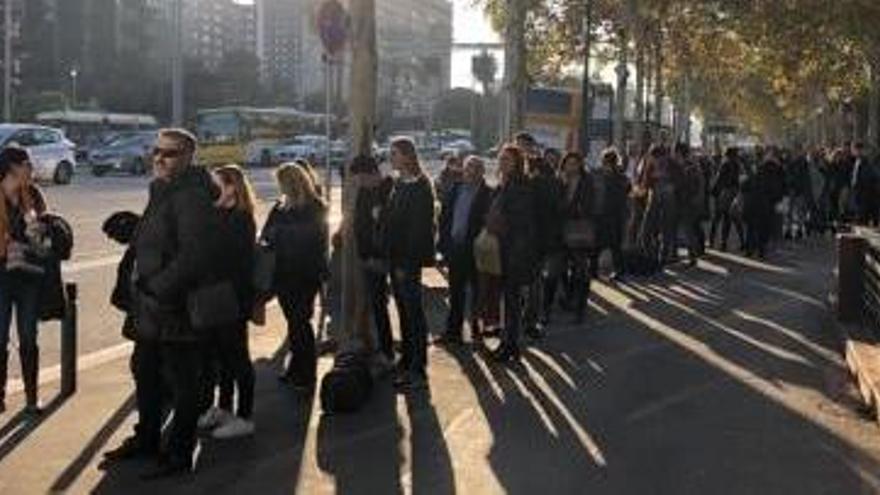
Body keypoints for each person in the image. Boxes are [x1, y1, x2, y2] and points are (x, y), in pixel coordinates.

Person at [131, 128, 224, 478]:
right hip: (153, 305)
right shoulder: (163, 190)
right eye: (156, 151)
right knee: (144, 369)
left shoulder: (191, 195)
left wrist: (160, 287)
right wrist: (133, 231)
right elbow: (160, 239)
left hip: (177, 306)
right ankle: (147, 438)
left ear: (187, 157)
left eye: (168, 153)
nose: (158, 158)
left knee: (183, 382)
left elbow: (194, 255)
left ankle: (180, 451)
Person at [197, 165, 257, 439]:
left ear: (233, 187)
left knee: (237, 357)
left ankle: (244, 416)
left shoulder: (241, 218)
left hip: (232, 297)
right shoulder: (218, 214)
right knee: (220, 358)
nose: (213, 190)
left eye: (218, 184)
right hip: (214, 296)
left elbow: (225, 257)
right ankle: (223, 407)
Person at [261, 163, 329, 393]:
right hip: (284, 274)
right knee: (294, 324)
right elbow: (266, 234)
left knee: (301, 323)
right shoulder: (281, 207)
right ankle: (296, 369)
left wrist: (279, 235)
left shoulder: (313, 207)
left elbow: (313, 242)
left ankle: (306, 374)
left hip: (303, 275)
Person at [385, 138, 436, 390]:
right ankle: (407, 358)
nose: (390, 157)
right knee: (404, 311)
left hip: (408, 260)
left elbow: (417, 231)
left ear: (407, 156)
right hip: (396, 258)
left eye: (393, 153)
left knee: (414, 312)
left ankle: (418, 367)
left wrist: (407, 262)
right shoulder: (399, 183)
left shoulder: (419, 186)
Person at [0, 147, 47, 415]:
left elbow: (44, 240)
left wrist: (39, 232)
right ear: (12, 167)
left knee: (29, 338)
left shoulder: (35, 196)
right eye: (27, 164)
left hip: (28, 274)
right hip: (1, 275)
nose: (31, 168)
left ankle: (32, 398)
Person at [436, 155, 493, 346]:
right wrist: (443, 244)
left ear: (483, 172)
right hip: (455, 249)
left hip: (477, 251)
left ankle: (478, 332)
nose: (472, 172)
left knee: (479, 293)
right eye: (469, 168)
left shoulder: (488, 194)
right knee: (456, 293)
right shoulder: (456, 188)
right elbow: (444, 217)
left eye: (477, 168)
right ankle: (453, 332)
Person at [490, 144, 538, 362]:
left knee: (511, 300)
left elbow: (523, 222)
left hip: (515, 250)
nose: (503, 162)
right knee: (508, 300)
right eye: (501, 158)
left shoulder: (520, 185)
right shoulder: (505, 184)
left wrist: (503, 225)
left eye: (508, 159)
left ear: (518, 162)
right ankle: (510, 344)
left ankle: (510, 345)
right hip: (506, 247)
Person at [352, 154, 394, 363]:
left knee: (388, 305)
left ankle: (388, 351)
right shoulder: (364, 191)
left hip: (386, 257)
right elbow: (360, 224)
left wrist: (378, 256)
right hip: (368, 257)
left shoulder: (388, 188)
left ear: (370, 173)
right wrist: (364, 255)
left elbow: (390, 228)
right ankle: (381, 348)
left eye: (359, 177)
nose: (357, 182)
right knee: (376, 304)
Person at [595, 148, 631, 278]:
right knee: (605, 244)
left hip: (612, 215)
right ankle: (612, 270)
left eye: (608, 162)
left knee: (612, 244)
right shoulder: (619, 177)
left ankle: (617, 270)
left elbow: (626, 192)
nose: (606, 165)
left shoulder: (617, 178)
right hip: (608, 214)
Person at [675, 143, 705, 265]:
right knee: (690, 229)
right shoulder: (693, 165)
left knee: (689, 230)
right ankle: (693, 254)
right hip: (690, 201)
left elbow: (688, 185)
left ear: (679, 153)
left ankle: (693, 256)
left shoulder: (688, 166)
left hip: (688, 202)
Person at [709, 147, 744, 251]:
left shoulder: (725, 165)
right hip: (734, 193)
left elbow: (720, 180)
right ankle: (741, 242)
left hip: (724, 193)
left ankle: (713, 241)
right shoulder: (737, 165)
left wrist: (714, 191)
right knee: (732, 220)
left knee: (717, 218)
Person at [850, 142, 878, 226]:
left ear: (858, 150)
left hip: (864, 193)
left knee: (863, 216)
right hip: (858, 191)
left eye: (853, 149)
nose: (852, 151)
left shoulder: (865, 162)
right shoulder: (857, 161)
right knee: (860, 215)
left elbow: (866, 178)